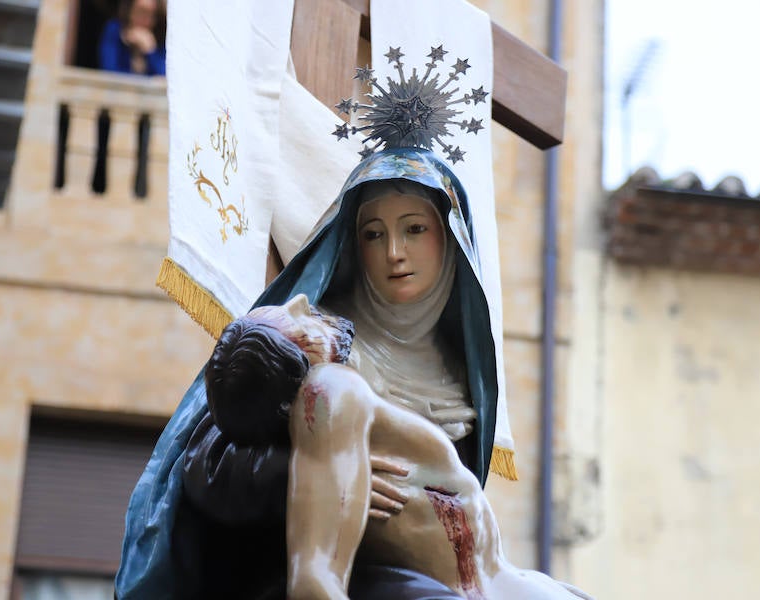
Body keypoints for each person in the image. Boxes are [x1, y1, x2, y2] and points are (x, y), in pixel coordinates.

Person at [115, 147, 502, 599]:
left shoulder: (463, 368)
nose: (394, 252)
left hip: (439, 564)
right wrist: (316, 480)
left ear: (451, 238)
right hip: (336, 570)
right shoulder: (314, 337)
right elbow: (209, 459)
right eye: (373, 234)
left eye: (414, 229)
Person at [206, 297, 591, 600]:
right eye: (294, 318)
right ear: (298, 351)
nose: (304, 301)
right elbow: (313, 582)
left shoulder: (337, 422)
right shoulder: (328, 390)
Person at [98, 0, 167, 76]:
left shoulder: (161, 37)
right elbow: (109, 72)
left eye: (152, 15)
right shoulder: (115, 30)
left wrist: (151, 51)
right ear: (130, 11)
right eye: (141, 12)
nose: (145, 19)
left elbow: (165, 75)